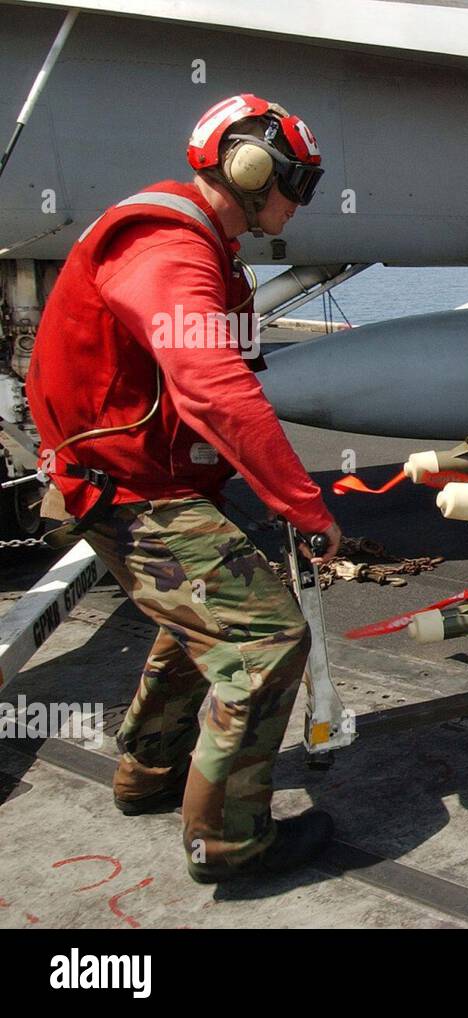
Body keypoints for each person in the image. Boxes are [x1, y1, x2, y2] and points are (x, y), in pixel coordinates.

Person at [25, 93, 341, 883]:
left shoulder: (196, 243)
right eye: (296, 183)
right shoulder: (170, 248)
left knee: (208, 617)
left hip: (145, 481)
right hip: (131, 493)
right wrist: (303, 505)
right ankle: (230, 845)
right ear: (252, 169)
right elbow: (213, 385)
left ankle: (148, 774)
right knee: (268, 640)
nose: (298, 201)